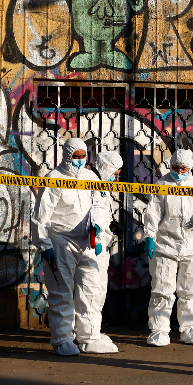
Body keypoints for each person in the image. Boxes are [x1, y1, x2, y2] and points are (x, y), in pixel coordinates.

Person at [32, 138, 121, 356]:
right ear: (67, 155)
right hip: (60, 240)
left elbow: (99, 205)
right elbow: (41, 216)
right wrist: (45, 246)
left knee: (91, 290)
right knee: (61, 291)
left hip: (86, 242)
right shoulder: (54, 178)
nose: (80, 161)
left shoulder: (90, 177)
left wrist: (97, 229)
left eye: (83, 156)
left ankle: (89, 337)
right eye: (76, 156)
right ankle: (62, 338)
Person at [143, 149, 193, 347]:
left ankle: (190, 328)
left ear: (190, 168)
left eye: (183, 168)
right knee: (162, 289)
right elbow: (152, 214)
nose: (179, 171)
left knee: (191, 288)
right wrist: (149, 237)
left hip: (192, 245)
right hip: (165, 244)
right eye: (175, 167)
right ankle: (159, 330)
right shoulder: (162, 185)